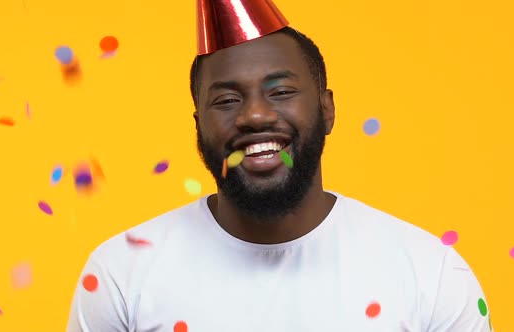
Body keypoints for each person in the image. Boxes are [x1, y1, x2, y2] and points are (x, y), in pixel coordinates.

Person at [67, 0, 492, 331]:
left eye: (281, 91)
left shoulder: (431, 273)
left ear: (327, 110)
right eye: (227, 100)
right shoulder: (120, 273)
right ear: (199, 125)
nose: (254, 116)